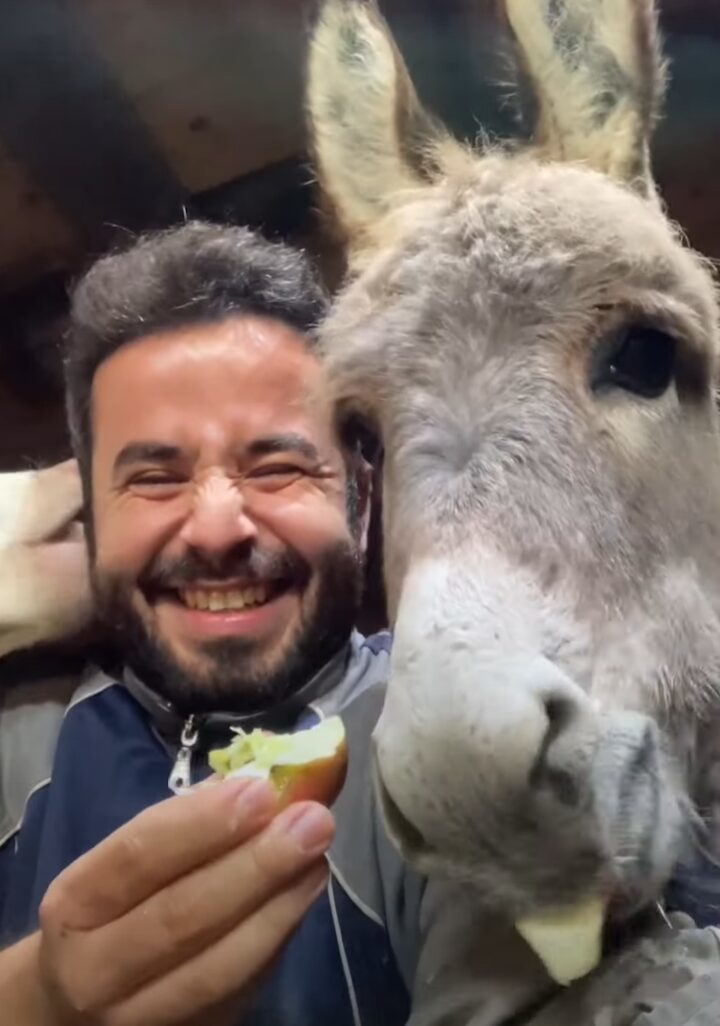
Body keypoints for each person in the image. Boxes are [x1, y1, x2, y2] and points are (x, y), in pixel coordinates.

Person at [2, 222, 720, 1026]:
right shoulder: (17, 741)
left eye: (276, 466)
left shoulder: (438, 755)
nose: (215, 528)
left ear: (363, 499)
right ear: (92, 521)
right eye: (155, 478)